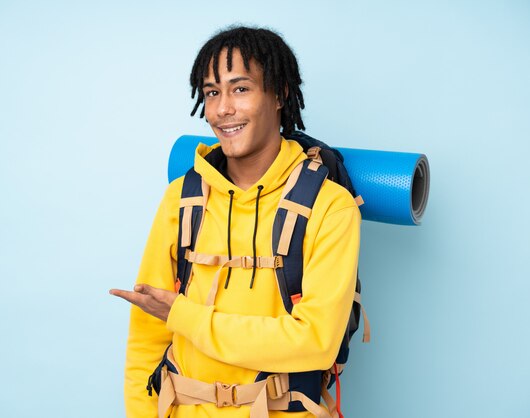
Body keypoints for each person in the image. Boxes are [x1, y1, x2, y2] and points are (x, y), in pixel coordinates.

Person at [111, 26, 361, 418]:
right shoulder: (181, 198)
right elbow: (147, 336)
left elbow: (315, 342)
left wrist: (185, 316)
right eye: (212, 92)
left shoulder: (331, 206)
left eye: (240, 89)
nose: (222, 109)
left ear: (279, 94)